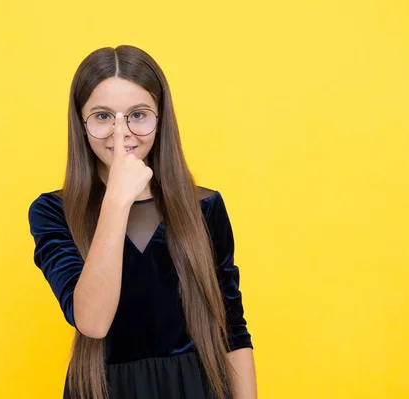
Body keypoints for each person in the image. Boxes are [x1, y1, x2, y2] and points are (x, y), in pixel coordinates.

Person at [28, 45, 257, 399]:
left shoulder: (205, 207)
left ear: (160, 117)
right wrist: (118, 198)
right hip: (104, 389)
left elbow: (232, 326)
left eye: (138, 114)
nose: (122, 133)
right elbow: (92, 321)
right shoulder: (52, 212)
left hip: (195, 387)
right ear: (81, 123)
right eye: (103, 116)